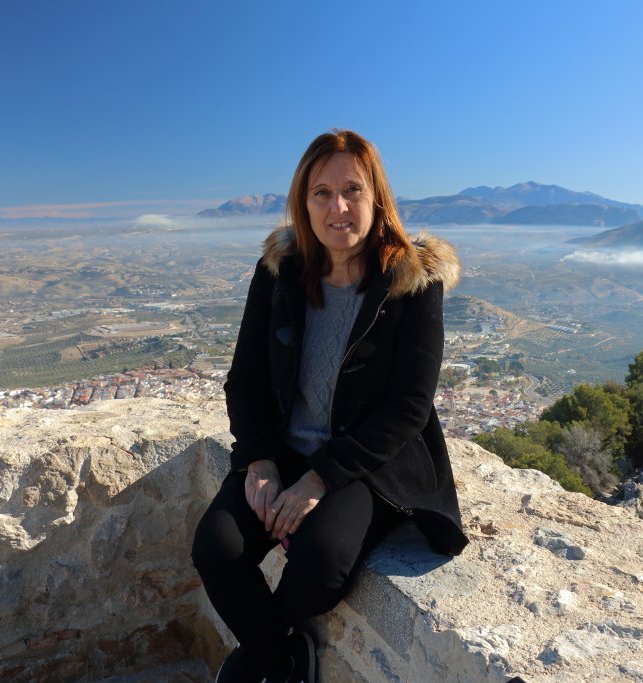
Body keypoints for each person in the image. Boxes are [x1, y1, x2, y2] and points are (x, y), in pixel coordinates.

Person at [192, 129, 468, 683]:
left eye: (352, 190)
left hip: (363, 464)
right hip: (282, 448)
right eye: (321, 192)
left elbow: (409, 407)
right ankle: (284, 659)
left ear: (377, 198)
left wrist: (320, 479)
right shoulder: (280, 272)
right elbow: (244, 379)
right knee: (217, 547)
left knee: (320, 562)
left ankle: (255, 661)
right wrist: (260, 460)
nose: (337, 207)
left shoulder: (412, 282)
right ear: (303, 202)